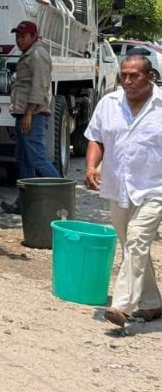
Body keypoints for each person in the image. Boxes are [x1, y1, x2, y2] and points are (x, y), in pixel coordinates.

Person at [85, 55, 162, 327]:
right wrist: (92, 167)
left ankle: (122, 306)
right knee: (131, 245)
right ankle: (152, 303)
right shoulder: (109, 103)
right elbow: (96, 137)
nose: (127, 81)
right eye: (123, 75)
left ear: (149, 76)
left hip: (154, 187)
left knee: (137, 239)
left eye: (134, 76)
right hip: (118, 187)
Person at [10, 20, 59, 179]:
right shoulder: (29, 53)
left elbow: (40, 85)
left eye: (23, 36)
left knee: (37, 159)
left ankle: (63, 194)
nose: (19, 40)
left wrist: (29, 114)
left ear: (34, 36)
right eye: (17, 36)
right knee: (24, 159)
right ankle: (25, 202)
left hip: (33, 115)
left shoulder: (37, 55)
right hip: (23, 113)